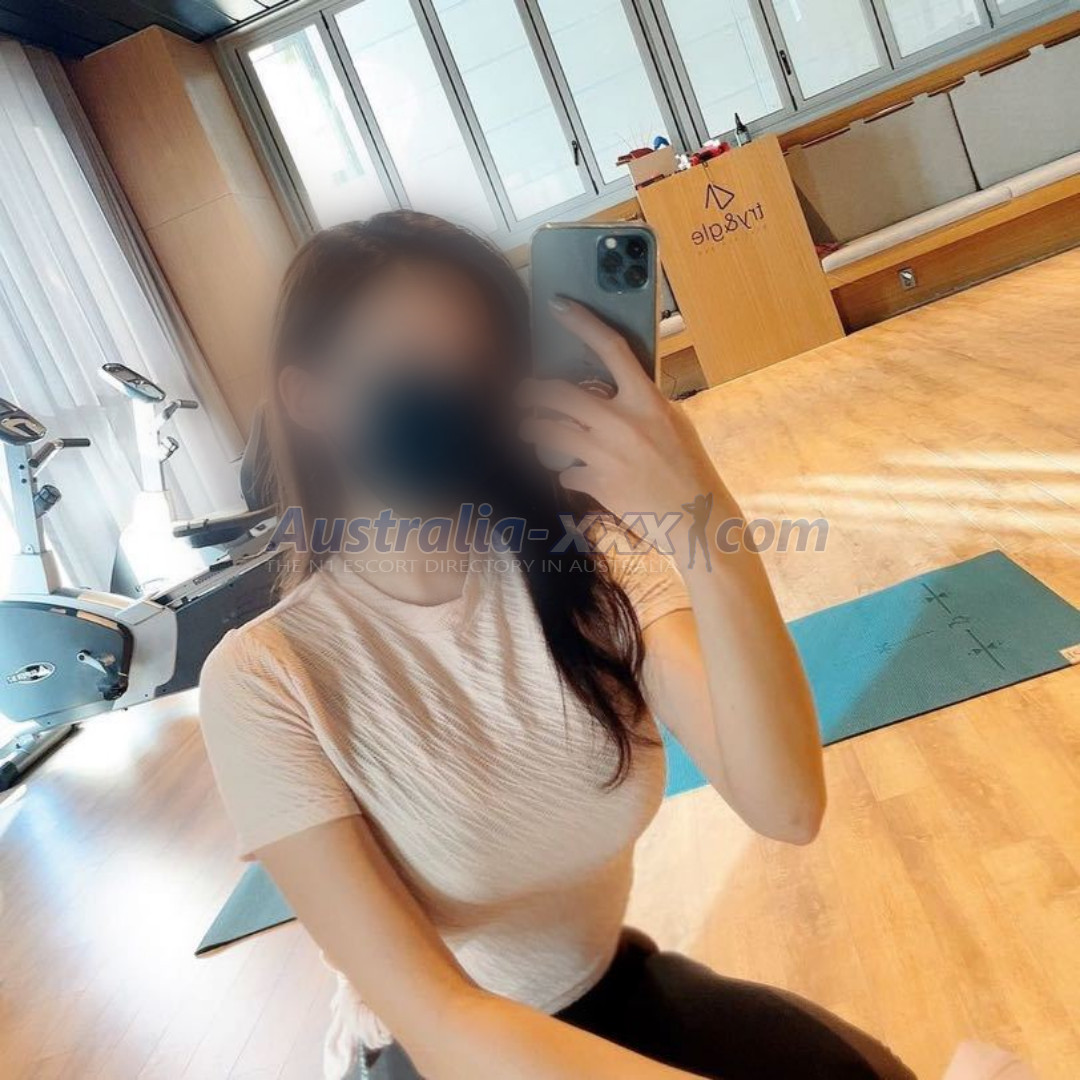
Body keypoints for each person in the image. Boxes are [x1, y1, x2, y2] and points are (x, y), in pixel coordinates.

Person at [199, 211, 913, 1080]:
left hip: (607, 987)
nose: (452, 399)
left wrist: (702, 520)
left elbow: (786, 808)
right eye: (408, 369)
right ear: (310, 397)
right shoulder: (265, 678)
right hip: (445, 1056)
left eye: (479, 372)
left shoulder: (588, 570)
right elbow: (444, 1022)